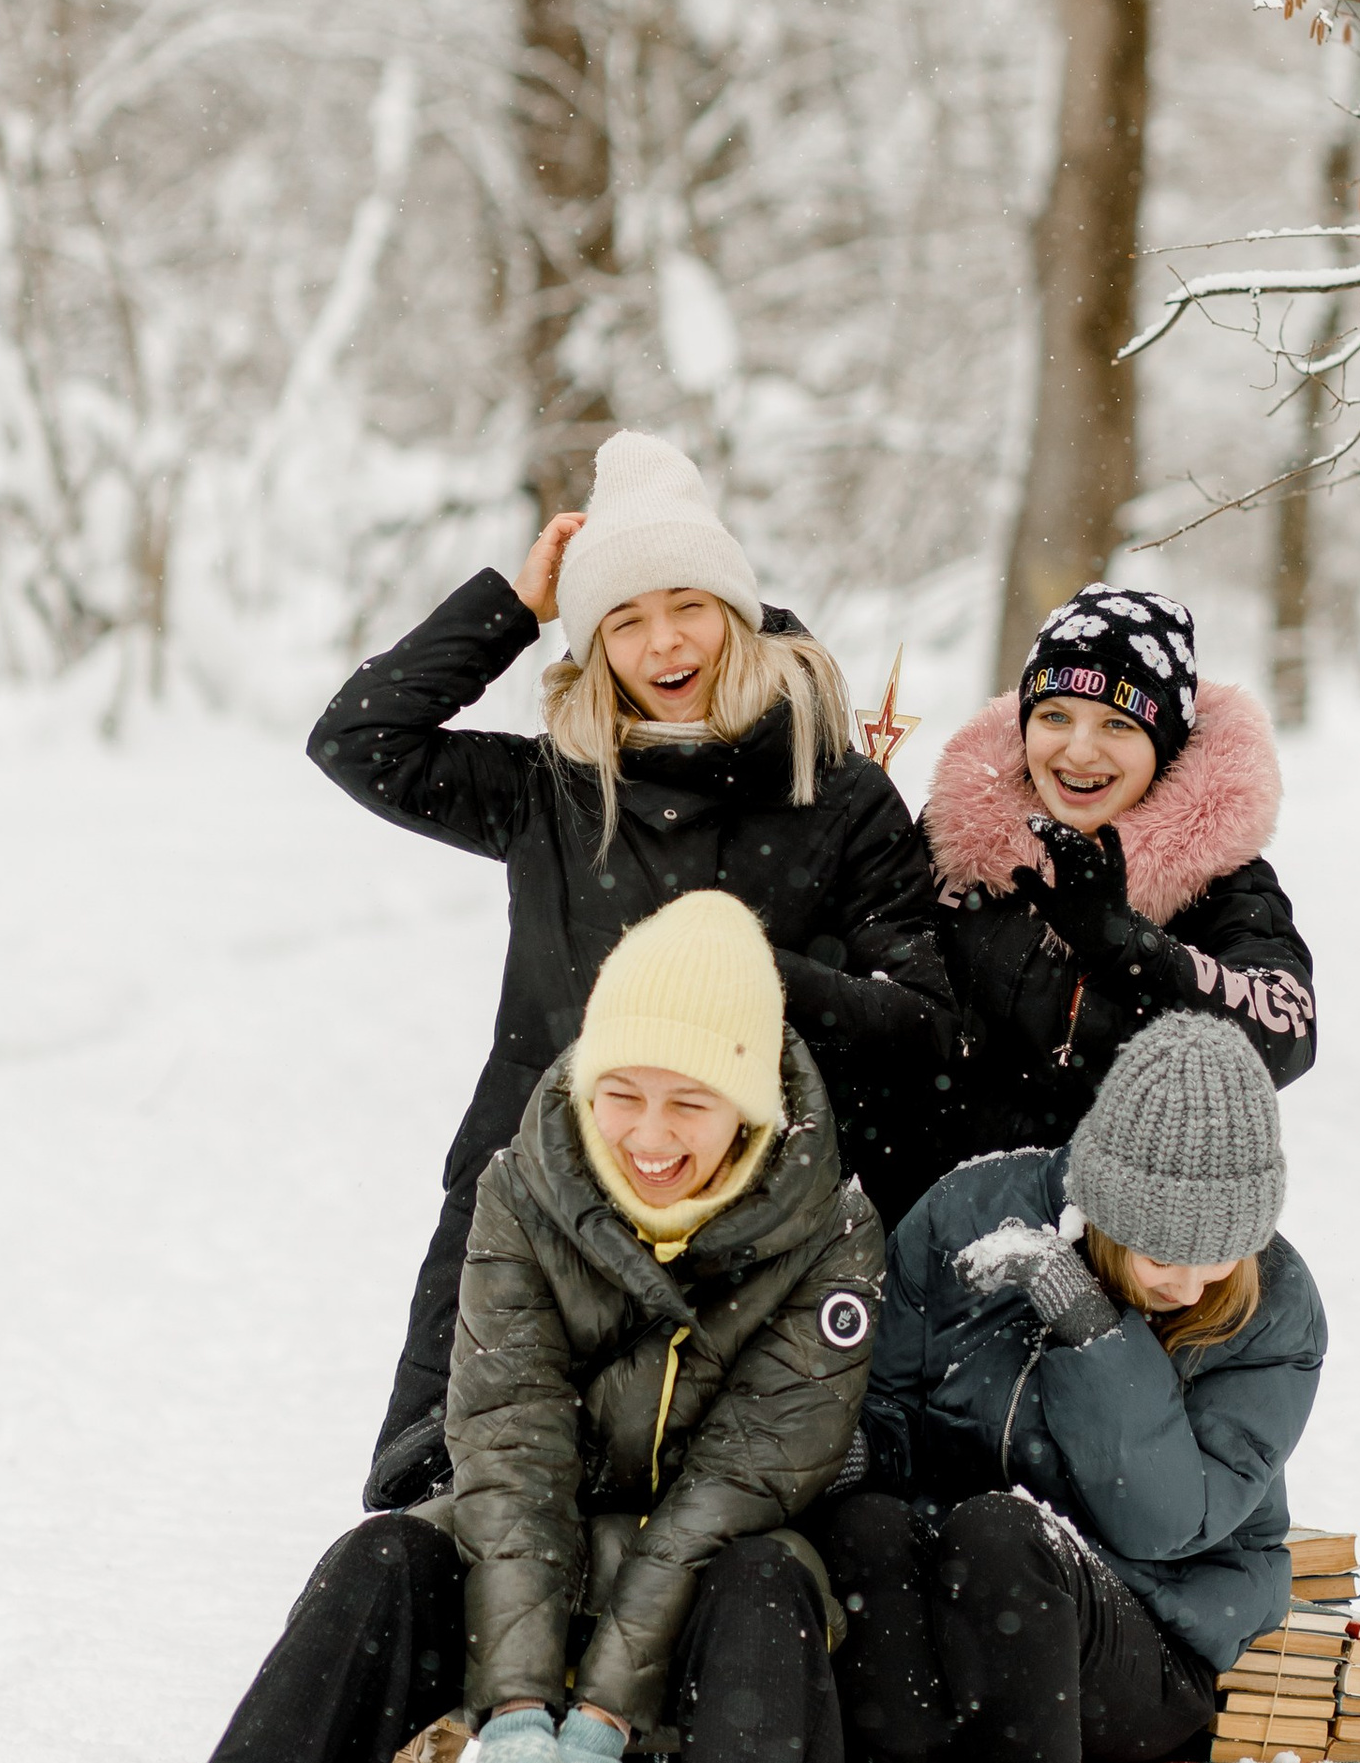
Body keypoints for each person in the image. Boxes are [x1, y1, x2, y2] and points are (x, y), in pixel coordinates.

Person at [55, 894, 882, 1763]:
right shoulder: (525, 1187)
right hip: (534, 1549)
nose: (648, 1134)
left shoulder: (831, 1235)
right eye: (624, 1091)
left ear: (749, 1103)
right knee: (381, 1556)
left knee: (767, 1585)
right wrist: (513, 1705)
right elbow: (507, 1450)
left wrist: (592, 1722)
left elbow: (734, 1491)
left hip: (711, 1567)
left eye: (688, 1102)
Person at [309, 430, 950, 1513]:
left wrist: (752, 973)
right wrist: (512, 604)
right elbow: (360, 738)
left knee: (696, 1534)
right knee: (459, 1517)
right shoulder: (552, 787)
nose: (662, 642)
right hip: (530, 1207)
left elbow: (925, 1025)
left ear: (734, 610)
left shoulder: (832, 794)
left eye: (685, 603)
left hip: (746, 1227)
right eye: (622, 616)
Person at [827, 1011, 1323, 1763]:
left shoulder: (1275, 1313)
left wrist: (1091, 1325)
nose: (1187, 1282)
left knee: (1003, 1537)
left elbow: (1164, 1518)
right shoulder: (965, 1211)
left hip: (1138, 1649)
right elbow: (886, 1418)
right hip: (966, 1621)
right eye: (1159, 1250)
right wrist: (848, 1456)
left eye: (1215, 1252)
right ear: (1100, 1199)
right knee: (867, 1533)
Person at [923, 583, 1315, 1158]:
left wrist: (1129, 948)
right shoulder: (955, 841)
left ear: (1166, 747)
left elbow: (1286, 1033)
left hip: (1111, 1231)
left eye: (1117, 725)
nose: (1079, 752)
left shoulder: (1220, 877)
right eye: (1055, 716)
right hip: (925, 1215)